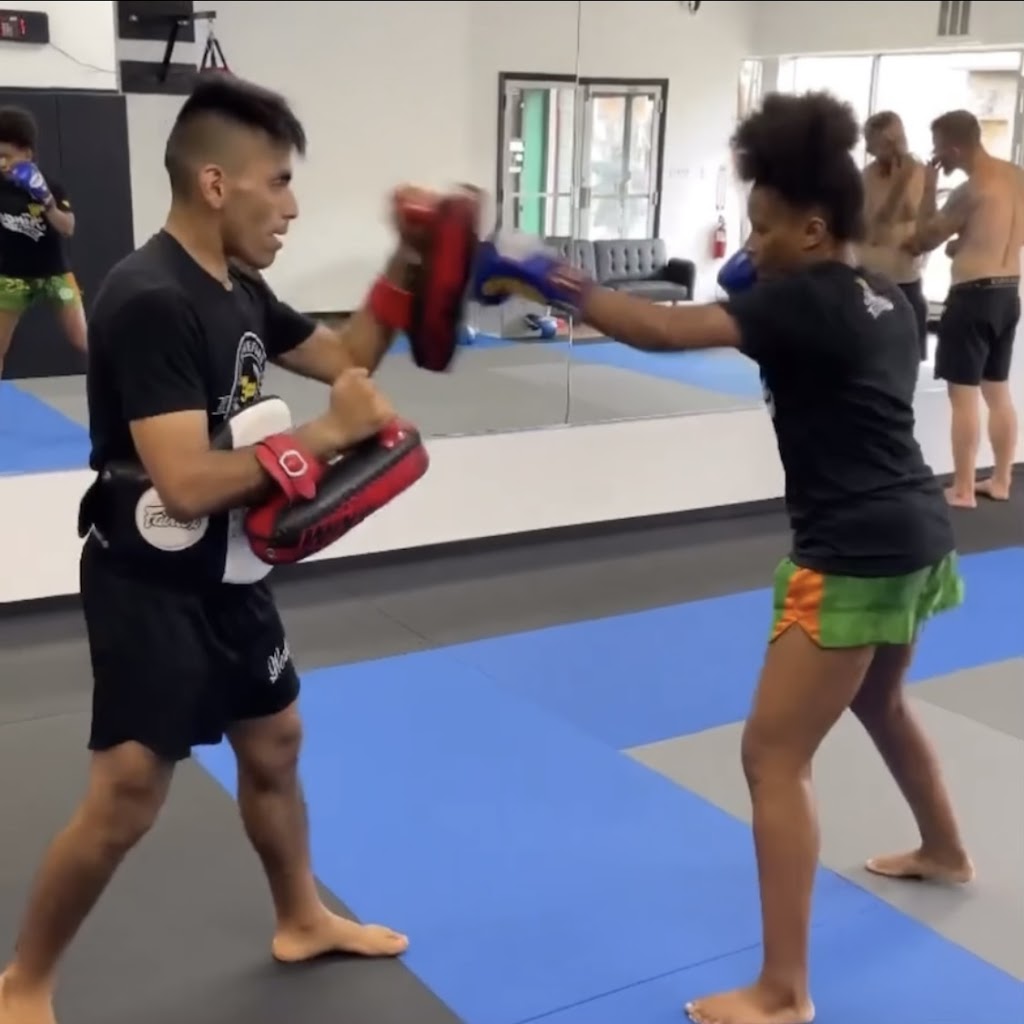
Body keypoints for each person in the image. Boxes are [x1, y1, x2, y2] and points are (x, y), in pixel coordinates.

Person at [473, 91, 973, 1024]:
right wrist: (759, 271)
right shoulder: (888, 300)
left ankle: (783, 992)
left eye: (763, 227)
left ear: (813, 229)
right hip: (917, 532)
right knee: (882, 700)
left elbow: (662, 331)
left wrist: (545, 275)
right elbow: (804, 342)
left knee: (771, 757)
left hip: (853, 550)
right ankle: (945, 849)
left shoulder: (798, 301)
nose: (750, 242)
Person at [0, 74, 418, 1024]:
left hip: (230, 568)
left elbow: (348, 355)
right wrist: (325, 435)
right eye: (280, 182)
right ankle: (23, 983)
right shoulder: (148, 297)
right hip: (147, 579)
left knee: (275, 740)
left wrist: (408, 259)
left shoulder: (239, 287)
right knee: (127, 795)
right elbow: (184, 480)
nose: (293, 206)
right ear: (217, 183)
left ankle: (301, 918)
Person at [904, 109, 1022, 506]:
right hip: (1008, 293)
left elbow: (923, 240)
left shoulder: (969, 190)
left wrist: (928, 190)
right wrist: (967, 244)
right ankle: (1001, 481)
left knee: (964, 395)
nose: (936, 155)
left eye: (938, 148)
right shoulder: (1016, 177)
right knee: (998, 391)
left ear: (954, 148)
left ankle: (964, 488)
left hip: (973, 297)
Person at [0, 106, 87, 377]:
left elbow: (68, 228)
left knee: (83, 339)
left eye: (7, 156)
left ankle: (119, 388)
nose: (2, 163)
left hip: (54, 275)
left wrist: (47, 201)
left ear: (27, 154)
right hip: (12, 277)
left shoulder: (50, 186)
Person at [859, 111, 930, 358]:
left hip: (907, 278)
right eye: (887, 143)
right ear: (872, 147)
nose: (897, 148)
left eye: (900, 139)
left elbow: (917, 215)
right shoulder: (868, 177)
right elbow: (877, 229)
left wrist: (904, 178)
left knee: (908, 356)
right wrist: (899, 184)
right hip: (872, 281)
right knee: (872, 356)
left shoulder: (918, 172)